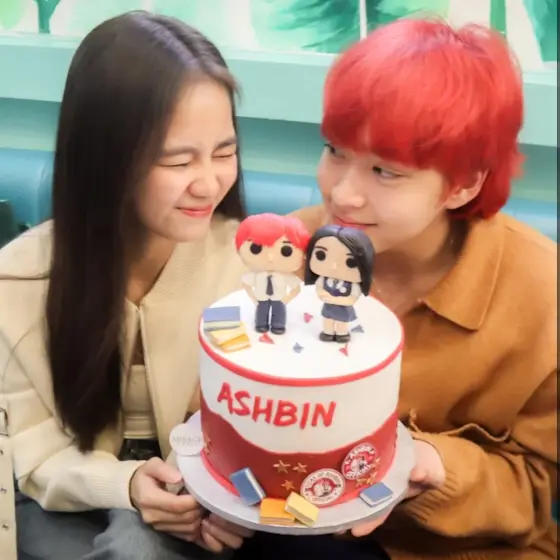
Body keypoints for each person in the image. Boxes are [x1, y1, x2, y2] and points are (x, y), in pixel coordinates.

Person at [286, 17, 557, 560]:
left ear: (464, 184)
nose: (342, 194)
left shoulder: (542, 295)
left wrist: (432, 465)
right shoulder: (287, 254)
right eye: (335, 151)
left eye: (385, 172)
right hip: (296, 527)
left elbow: (539, 490)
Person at [0, 11, 254, 560]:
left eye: (224, 152)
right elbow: (35, 455)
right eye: (178, 160)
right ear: (106, 159)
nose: (209, 182)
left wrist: (217, 505)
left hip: (197, 505)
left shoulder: (252, 271)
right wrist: (129, 485)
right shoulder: (18, 279)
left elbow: (255, 431)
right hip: (63, 498)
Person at [235, 213, 310, 335]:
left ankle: (278, 325)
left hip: (279, 298)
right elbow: (246, 284)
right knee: (261, 312)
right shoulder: (257, 275)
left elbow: (296, 288)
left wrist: (287, 299)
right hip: (261, 298)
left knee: (279, 312)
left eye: (286, 251)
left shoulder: (285, 276)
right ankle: (261, 324)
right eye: (256, 248)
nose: (270, 257)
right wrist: (253, 297)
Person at [304, 224, 374, 342]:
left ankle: (342, 333)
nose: (334, 266)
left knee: (342, 321)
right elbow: (320, 289)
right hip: (329, 305)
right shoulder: (323, 280)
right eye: (321, 256)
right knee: (328, 319)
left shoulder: (352, 286)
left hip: (343, 307)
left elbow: (353, 297)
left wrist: (341, 301)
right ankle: (328, 332)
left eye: (350, 262)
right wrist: (324, 296)